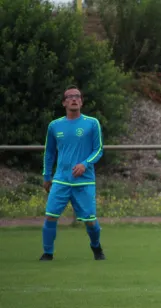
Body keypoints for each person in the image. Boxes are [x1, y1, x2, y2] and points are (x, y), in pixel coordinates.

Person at [39, 85, 105, 261]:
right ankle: (47, 254)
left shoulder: (92, 123)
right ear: (64, 103)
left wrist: (85, 164)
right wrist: (47, 176)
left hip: (84, 181)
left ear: (81, 102)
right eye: (70, 97)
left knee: (90, 220)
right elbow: (49, 153)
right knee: (51, 216)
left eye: (77, 96)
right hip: (61, 180)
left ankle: (96, 248)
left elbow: (98, 150)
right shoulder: (55, 126)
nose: (74, 99)